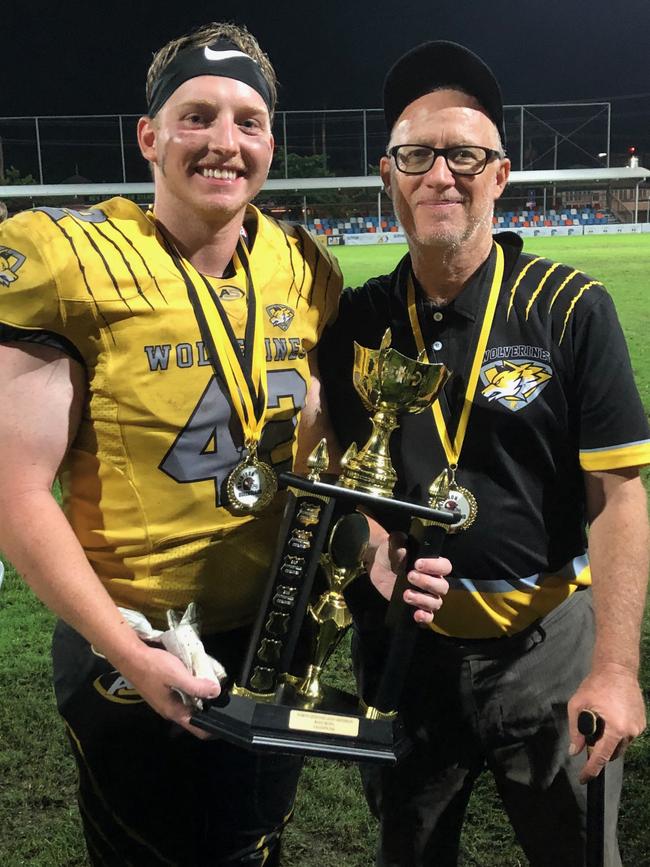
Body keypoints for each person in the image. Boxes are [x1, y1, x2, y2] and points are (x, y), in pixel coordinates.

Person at [0, 21, 361, 867]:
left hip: (271, 631)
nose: (224, 143)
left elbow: (325, 436)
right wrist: (128, 649)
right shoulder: (70, 258)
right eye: (198, 116)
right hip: (130, 637)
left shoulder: (303, 267)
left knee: (255, 844)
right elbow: (15, 490)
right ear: (150, 135)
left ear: (271, 142)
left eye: (247, 120)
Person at [319, 41, 650, 867]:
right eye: (417, 154)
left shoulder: (573, 309)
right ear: (388, 176)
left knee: (577, 851)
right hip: (404, 656)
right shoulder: (357, 322)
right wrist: (370, 542)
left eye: (465, 153)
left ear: (500, 174)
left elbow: (619, 493)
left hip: (546, 651)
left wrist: (614, 664)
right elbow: (339, 468)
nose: (442, 173)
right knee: (411, 851)